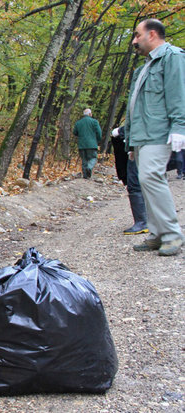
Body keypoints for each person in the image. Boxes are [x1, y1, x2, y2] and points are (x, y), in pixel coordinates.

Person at [124, 18, 185, 256]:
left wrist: (180, 127)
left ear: (152, 34)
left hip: (159, 133)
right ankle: (158, 234)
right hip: (143, 135)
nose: (134, 41)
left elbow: (178, 93)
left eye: (137, 35)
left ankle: (171, 235)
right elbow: (134, 107)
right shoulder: (144, 68)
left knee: (152, 178)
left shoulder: (173, 57)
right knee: (146, 182)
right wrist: (130, 140)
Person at [111, 126, 148, 235]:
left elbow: (138, 119)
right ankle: (157, 220)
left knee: (134, 183)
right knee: (152, 182)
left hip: (140, 143)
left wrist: (121, 131)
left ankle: (142, 222)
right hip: (150, 144)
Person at [73, 108, 102, 179]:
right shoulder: (94, 122)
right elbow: (99, 133)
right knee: (93, 158)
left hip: (81, 144)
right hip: (92, 144)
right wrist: (98, 140)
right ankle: (89, 168)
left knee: (84, 160)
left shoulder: (78, 123)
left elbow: (74, 132)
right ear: (90, 114)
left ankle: (85, 176)